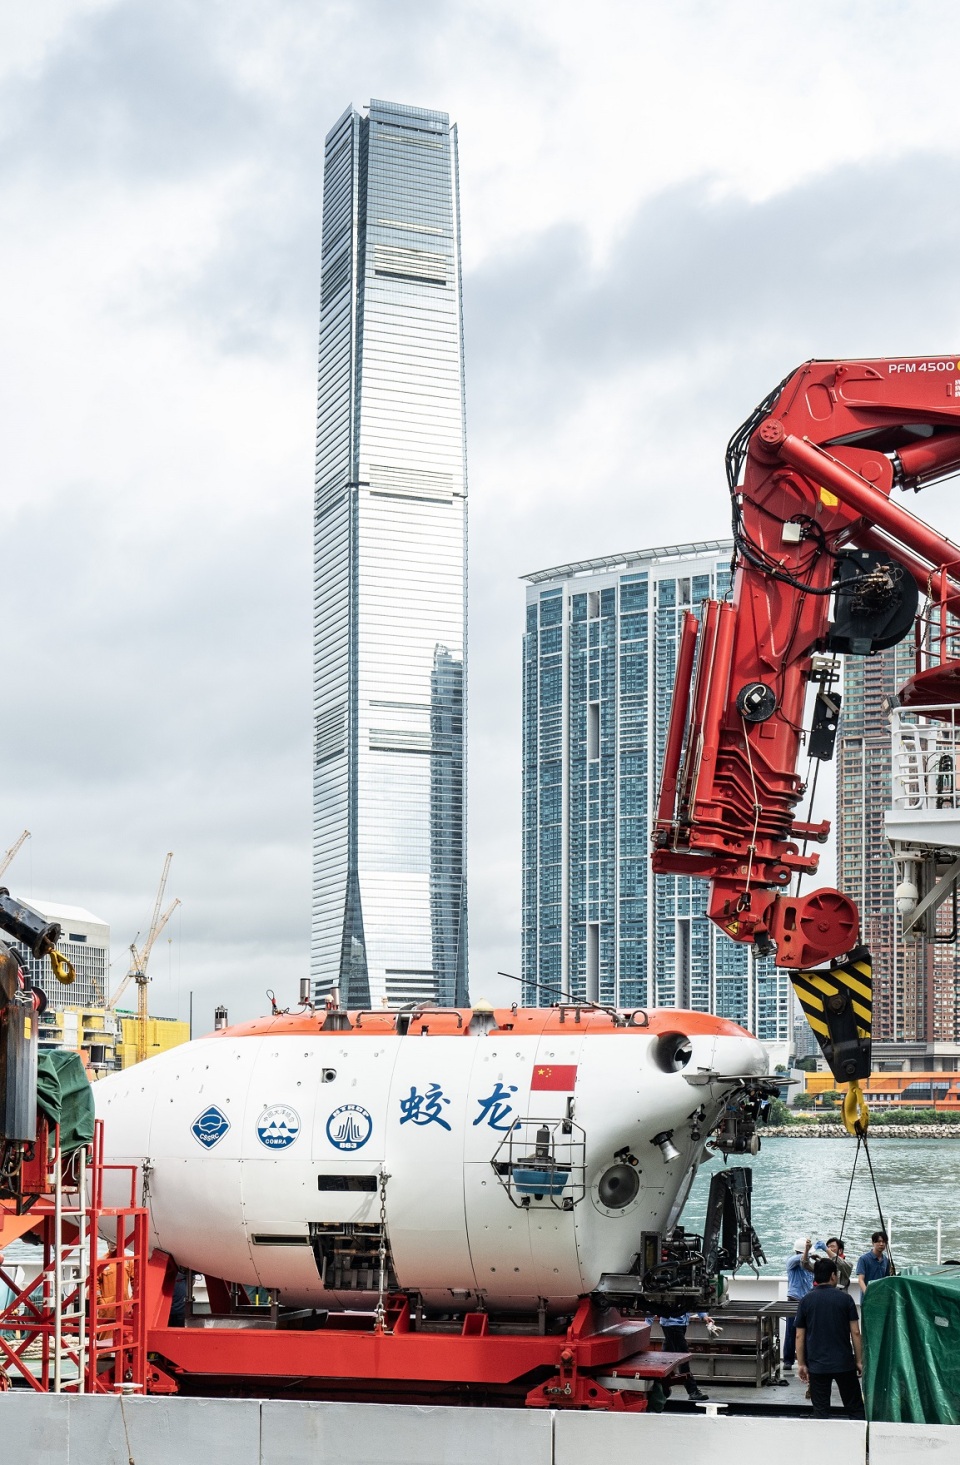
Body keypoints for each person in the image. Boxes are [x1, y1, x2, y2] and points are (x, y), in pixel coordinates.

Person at [795, 1257, 864, 1419]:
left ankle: (821, 1442)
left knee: (821, 1411)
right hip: (844, 1364)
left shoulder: (806, 1301)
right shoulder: (846, 1299)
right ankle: (862, 1442)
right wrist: (859, 1361)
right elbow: (855, 1333)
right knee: (855, 1408)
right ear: (833, 1276)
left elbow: (799, 1335)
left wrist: (801, 1364)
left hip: (817, 1365)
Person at [655, 1310, 719, 1402]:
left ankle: (662, 1388)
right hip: (673, 1325)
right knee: (683, 1358)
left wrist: (704, 1316)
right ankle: (692, 1391)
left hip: (677, 1324)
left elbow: (692, 1301)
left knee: (666, 1357)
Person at [783, 1236, 815, 1370]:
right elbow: (802, 1259)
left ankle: (807, 1360)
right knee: (791, 1330)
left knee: (808, 1332)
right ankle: (788, 1360)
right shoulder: (792, 1262)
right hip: (794, 1300)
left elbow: (809, 1264)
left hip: (807, 1300)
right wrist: (807, 1251)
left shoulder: (809, 1265)